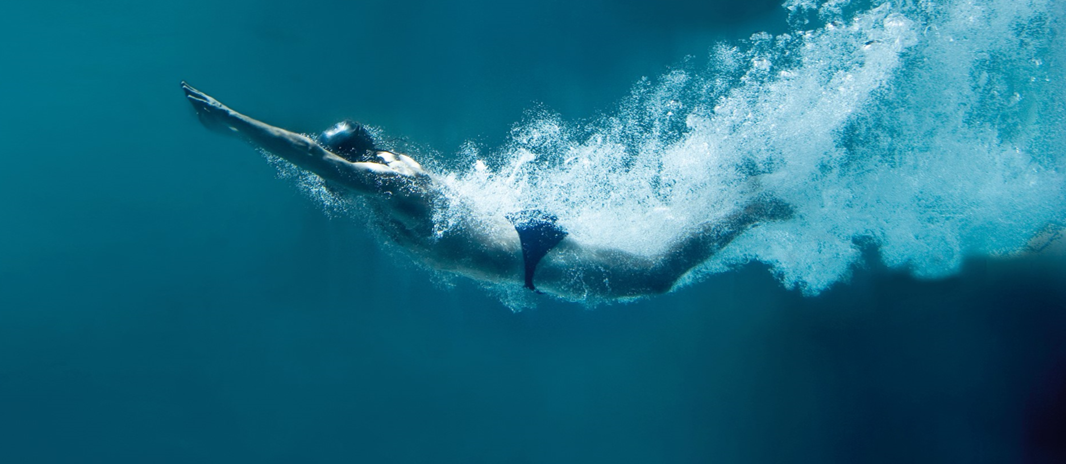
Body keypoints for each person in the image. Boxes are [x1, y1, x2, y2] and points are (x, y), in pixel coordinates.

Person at [182, 81, 793, 300]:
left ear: (354, 164)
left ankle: (754, 206)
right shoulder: (382, 177)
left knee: (657, 277)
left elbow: (316, 160)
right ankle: (733, 199)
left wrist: (233, 122)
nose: (330, 187)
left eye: (337, 173)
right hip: (520, 243)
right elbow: (321, 162)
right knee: (648, 261)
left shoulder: (395, 186)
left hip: (532, 257)